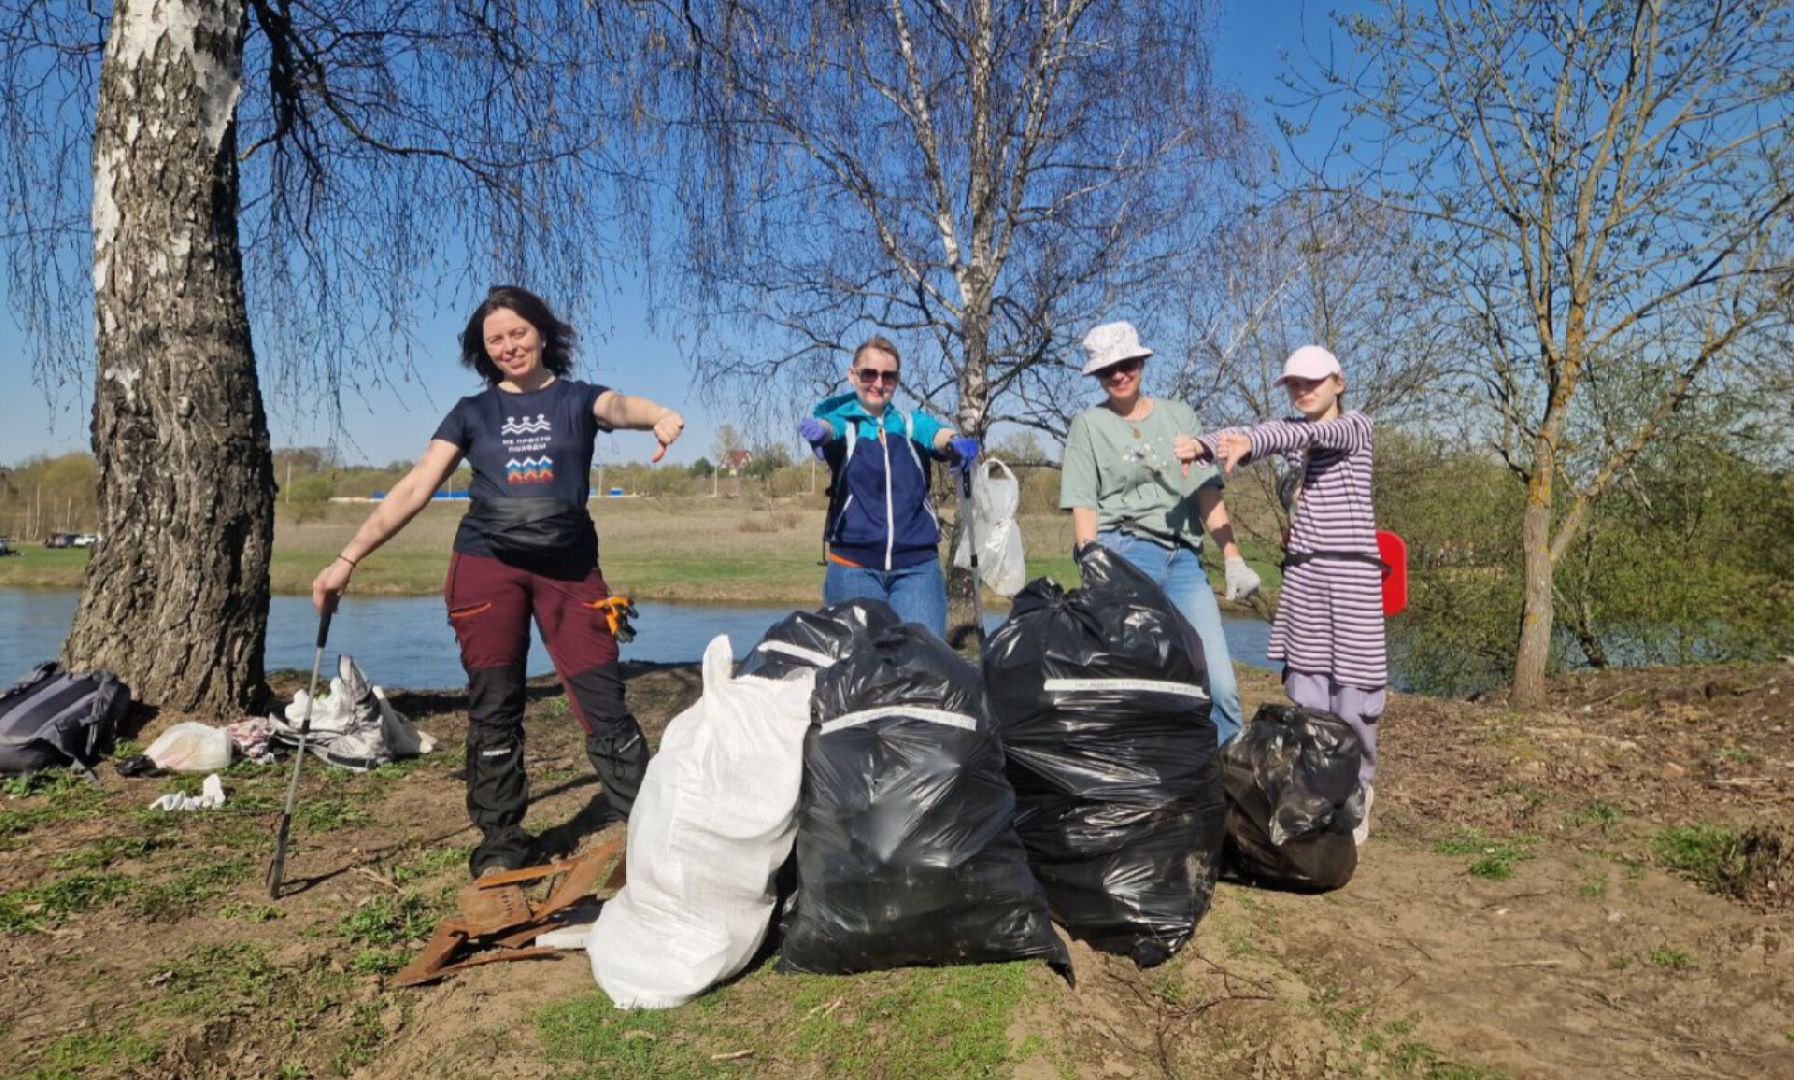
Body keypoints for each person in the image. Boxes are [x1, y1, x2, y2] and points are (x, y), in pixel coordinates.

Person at [310, 285, 685, 877]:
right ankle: (502, 842)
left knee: (603, 698)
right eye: (495, 339)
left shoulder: (577, 399)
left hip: (570, 570)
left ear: (542, 333)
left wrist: (658, 415)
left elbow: (618, 408)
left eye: (518, 332)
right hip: (486, 568)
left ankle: (651, 830)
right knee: (495, 704)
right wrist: (347, 558)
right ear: (483, 351)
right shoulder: (471, 413)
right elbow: (413, 488)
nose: (509, 345)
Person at [1182, 344, 1385, 843]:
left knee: (1354, 693)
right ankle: (1318, 786)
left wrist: (1251, 445)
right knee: (1308, 689)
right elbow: (1255, 433)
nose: (1303, 391)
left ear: (1338, 382)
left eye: (1313, 381)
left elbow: (1303, 433)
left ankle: (1358, 787)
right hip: (1305, 579)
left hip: (1352, 578)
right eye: (1294, 384)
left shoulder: (1355, 427)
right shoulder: (1293, 438)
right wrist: (1203, 446)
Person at [1059, 321, 1260, 746]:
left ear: (1141, 362)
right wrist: (1093, 566)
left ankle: (1233, 787)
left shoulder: (1180, 416)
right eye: (1106, 370)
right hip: (1123, 555)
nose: (1118, 375)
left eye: (1126, 364)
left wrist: (1232, 557)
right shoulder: (1088, 426)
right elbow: (1083, 504)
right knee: (1135, 685)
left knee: (1219, 684)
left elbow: (1205, 491)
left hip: (1183, 560)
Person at [798, 336, 979, 639]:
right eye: (869, 373)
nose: (878, 383)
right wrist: (822, 433)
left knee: (923, 668)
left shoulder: (908, 424)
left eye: (889, 376)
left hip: (917, 570)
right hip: (852, 569)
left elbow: (935, 433)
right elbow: (832, 429)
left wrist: (953, 444)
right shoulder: (846, 424)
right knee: (856, 672)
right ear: (852, 375)